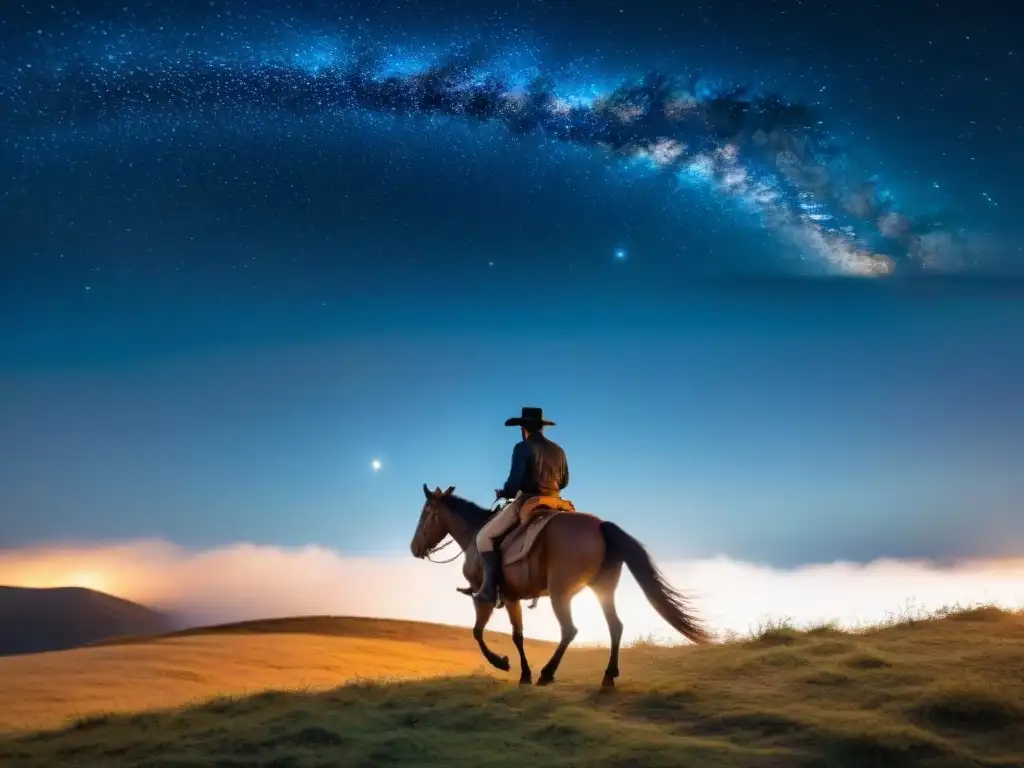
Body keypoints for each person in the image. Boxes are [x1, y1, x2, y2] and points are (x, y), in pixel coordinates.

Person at [472, 406, 570, 604]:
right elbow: (565, 481)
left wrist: (505, 492)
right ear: (542, 428)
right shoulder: (559, 450)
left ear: (523, 428)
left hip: (528, 501)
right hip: (557, 502)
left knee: (484, 537)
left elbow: (514, 484)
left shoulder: (522, 447)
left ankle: (492, 590)